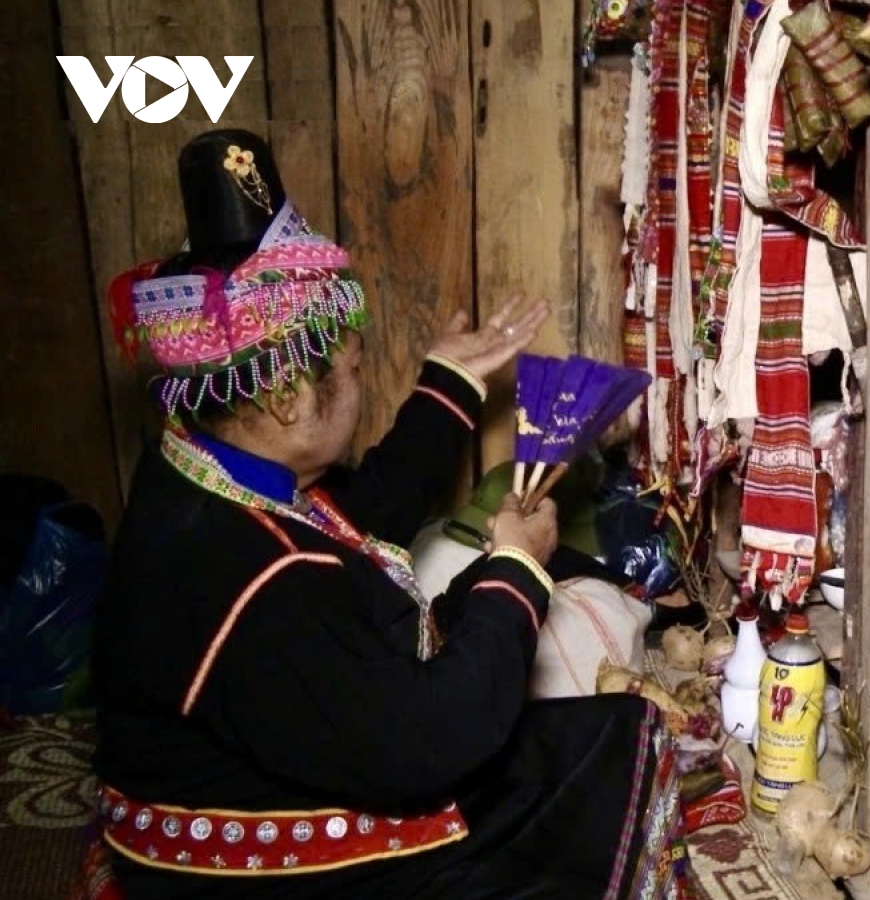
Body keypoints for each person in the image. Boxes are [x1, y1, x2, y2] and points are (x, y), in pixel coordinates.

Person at [90, 130, 691, 900]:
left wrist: (448, 385)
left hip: (260, 745)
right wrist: (515, 570)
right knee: (600, 755)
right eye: (351, 368)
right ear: (283, 396)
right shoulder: (260, 582)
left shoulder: (199, 468)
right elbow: (433, 742)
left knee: (570, 718)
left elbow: (355, 514)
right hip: (229, 861)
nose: (363, 372)